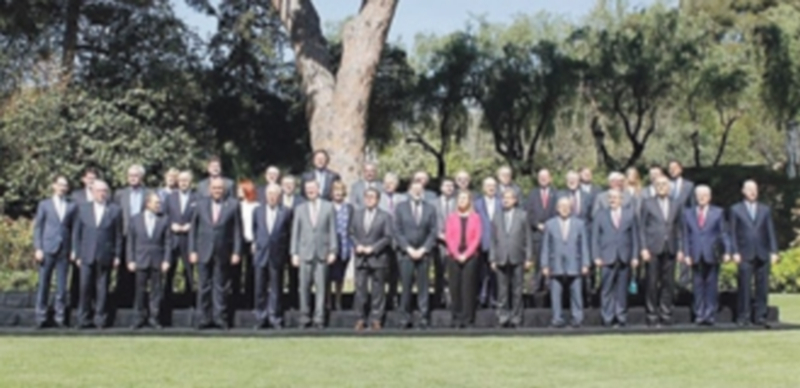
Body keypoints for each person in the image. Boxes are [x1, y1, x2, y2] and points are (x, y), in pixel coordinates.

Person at [189, 177, 242, 330]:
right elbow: (193, 230)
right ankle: (203, 318)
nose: (217, 191)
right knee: (204, 286)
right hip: (203, 251)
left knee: (220, 287)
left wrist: (236, 252)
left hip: (223, 251)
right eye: (214, 188)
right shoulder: (200, 204)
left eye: (220, 188)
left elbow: (238, 231)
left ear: (224, 189)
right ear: (209, 189)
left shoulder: (233, 205)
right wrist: (192, 250)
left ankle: (220, 318)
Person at [71, 180, 123, 329]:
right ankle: (83, 319)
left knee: (103, 289)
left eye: (104, 191)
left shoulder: (115, 210)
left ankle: (100, 319)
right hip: (86, 254)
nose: (102, 194)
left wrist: (117, 255)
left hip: (105, 255)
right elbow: (77, 233)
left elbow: (118, 236)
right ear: (92, 192)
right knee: (85, 287)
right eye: (99, 191)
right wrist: (77, 254)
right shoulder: (83, 209)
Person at [729, 180, 779, 327]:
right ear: (743, 191)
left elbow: (770, 231)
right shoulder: (735, 209)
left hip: (762, 252)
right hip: (744, 253)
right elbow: (732, 232)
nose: (753, 192)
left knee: (762, 286)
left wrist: (774, 250)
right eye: (749, 189)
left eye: (755, 189)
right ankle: (743, 316)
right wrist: (734, 251)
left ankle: (760, 316)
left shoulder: (765, 209)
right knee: (744, 286)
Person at [291, 180, 337, 328]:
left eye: (313, 188)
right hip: (304, 254)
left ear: (318, 189)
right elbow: (295, 233)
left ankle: (319, 318)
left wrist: (333, 250)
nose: (310, 191)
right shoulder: (299, 208)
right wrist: (294, 253)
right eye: (307, 189)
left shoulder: (329, 207)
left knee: (321, 288)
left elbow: (332, 230)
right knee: (303, 288)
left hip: (322, 253)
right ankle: (304, 317)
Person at [681, 185, 730, 326]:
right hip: (695, 253)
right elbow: (685, 235)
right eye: (699, 195)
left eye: (705, 195)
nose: (702, 198)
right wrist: (686, 253)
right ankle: (699, 314)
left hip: (712, 254)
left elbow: (724, 233)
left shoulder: (718, 212)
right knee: (697, 285)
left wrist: (727, 251)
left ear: (709, 197)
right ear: (695, 197)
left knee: (711, 285)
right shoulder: (688, 213)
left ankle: (710, 314)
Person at [32, 175, 76, 328]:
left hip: (64, 250)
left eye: (65, 185)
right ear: (54, 186)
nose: (63, 188)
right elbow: (38, 227)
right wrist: (38, 248)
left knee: (62, 287)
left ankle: (60, 317)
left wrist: (74, 249)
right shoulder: (44, 205)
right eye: (60, 185)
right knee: (44, 284)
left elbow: (74, 230)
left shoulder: (71, 206)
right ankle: (41, 317)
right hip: (47, 249)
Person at [639, 176, 683, 327]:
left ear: (669, 187)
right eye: (658, 185)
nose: (661, 187)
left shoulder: (676, 204)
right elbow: (641, 228)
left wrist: (681, 248)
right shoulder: (647, 203)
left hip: (670, 248)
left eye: (664, 184)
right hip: (652, 248)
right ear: (654, 187)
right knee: (651, 283)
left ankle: (666, 313)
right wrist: (643, 248)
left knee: (668, 283)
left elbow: (680, 229)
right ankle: (651, 314)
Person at [592, 189, 639, 327]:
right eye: (610, 198)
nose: (612, 200)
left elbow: (635, 237)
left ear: (621, 199)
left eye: (615, 197)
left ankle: (621, 317)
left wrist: (635, 256)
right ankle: (607, 318)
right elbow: (595, 238)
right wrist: (596, 256)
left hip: (624, 256)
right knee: (606, 289)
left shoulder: (630, 214)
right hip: (607, 257)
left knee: (622, 290)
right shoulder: (600, 215)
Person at [541, 197, 590, 328]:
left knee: (576, 293)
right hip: (555, 264)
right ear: (557, 208)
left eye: (567, 206)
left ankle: (577, 319)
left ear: (571, 208)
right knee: (556, 294)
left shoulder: (579, 224)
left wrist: (586, 263)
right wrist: (544, 264)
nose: (564, 209)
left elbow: (584, 245)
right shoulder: (549, 224)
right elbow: (546, 246)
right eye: (561, 206)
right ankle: (557, 319)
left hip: (575, 263)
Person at [394, 181, 437, 329]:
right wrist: (408, 248)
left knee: (423, 288)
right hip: (406, 254)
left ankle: (423, 317)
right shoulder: (400, 208)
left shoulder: (430, 209)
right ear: (409, 191)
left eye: (420, 190)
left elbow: (433, 231)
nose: (417, 192)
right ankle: (404, 318)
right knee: (405, 287)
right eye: (414, 189)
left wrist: (424, 249)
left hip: (424, 254)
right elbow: (397, 231)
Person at [349, 188, 393, 331]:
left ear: (378, 199)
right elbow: (350, 233)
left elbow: (387, 237)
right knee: (360, 290)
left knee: (378, 291)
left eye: (372, 197)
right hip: (361, 258)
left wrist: (373, 248)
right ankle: (360, 319)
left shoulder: (385, 216)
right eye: (367, 196)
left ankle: (376, 319)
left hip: (378, 258)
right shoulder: (356, 215)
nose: (369, 199)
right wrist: (357, 245)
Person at [126, 193, 171, 329]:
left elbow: (168, 241)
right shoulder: (135, 219)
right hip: (140, 259)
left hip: (157, 260)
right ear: (148, 204)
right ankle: (138, 318)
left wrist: (166, 260)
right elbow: (130, 242)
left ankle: (154, 318)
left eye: (159, 203)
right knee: (139, 291)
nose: (159, 205)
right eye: (156, 203)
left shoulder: (164, 219)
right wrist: (130, 260)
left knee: (156, 291)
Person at [490, 189, 532, 328]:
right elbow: (492, 240)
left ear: (515, 200)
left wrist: (529, 258)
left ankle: (516, 318)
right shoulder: (497, 216)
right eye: (504, 198)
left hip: (517, 257)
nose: (506, 200)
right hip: (501, 257)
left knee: (517, 290)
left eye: (509, 198)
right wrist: (492, 258)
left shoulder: (523, 215)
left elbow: (528, 238)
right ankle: (503, 317)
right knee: (502, 291)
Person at [252, 184, 291, 329]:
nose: (272, 197)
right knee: (260, 288)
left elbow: (288, 233)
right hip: (261, 254)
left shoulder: (286, 212)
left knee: (276, 288)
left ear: (279, 196)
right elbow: (255, 230)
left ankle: (275, 317)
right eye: (270, 194)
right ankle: (261, 317)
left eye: (275, 194)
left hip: (277, 254)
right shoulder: (257, 211)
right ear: (265, 195)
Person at [114, 164, 151, 306]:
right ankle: (123, 301)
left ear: (141, 177)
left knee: (140, 272)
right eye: (130, 176)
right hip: (124, 235)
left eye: (136, 176)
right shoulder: (120, 194)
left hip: (142, 238)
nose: (133, 178)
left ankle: (139, 302)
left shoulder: (148, 193)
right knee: (123, 271)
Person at [444, 191, 482, 328]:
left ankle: (468, 318)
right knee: (455, 287)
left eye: (465, 198)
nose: (462, 200)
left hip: (470, 256)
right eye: (460, 198)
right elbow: (449, 237)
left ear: (469, 201)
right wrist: (456, 254)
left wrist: (466, 254)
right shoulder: (451, 218)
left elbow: (477, 238)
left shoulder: (476, 218)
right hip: (453, 256)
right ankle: (456, 318)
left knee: (468, 287)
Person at [524, 169, 557, 294]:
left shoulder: (556, 193)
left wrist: (549, 225)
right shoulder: (532, 194)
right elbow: (529, 213)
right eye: (541, 177)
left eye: (545, 177)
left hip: (552, 234)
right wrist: (537, 225)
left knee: (551, 263)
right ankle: (537, 291)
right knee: (538, 264)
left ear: (550, 178)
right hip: (537, 234)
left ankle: (550, 290)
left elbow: (558, 212)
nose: (543, 179)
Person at [164, 171, 197, 298]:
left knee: (189, 270)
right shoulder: (170, 197)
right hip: (173, 238)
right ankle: (167, 299)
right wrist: (171, 224)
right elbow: (164, 215)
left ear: (190, 182)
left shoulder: (196, 198)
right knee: (169, 271)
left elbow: (200, 217)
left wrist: (191, 225)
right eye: (181, 180)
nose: (183, 183)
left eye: (186, 180)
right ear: (178, 182)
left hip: (189, 239)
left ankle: (189, 300)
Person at [378, 172, 406, 308]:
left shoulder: (403, 198)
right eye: (386, 182)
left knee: (396, 271)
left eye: (392, 182)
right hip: (382, 240)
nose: (388, 185)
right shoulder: (378, 198)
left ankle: (393, 297)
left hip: (399, 241)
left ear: (397, 185)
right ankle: (380, 300)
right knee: (382, 273)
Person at [474, 177, 501, 307]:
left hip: (498, 244)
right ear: (483, 188)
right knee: (481, 273)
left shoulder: (501, 203)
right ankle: (482, 298)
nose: (491, 188)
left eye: (493, 186)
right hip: (481, 243)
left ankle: (494, 299)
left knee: (495, 274)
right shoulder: (477, 204)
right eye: (488, 186)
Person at [329, 181, 354, 311]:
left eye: (340, 190)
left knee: (340, 276)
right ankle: (328, 301)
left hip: (345, 246)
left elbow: (352, 227)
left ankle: (338, 300)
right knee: (328, 276)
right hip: (329, 248)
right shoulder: (327, 207)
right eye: (335, 190)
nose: (338, 193)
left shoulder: (349, 208)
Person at [280, 175, 304, 311]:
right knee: (279, 275)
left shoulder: (301, 201)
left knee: (295, 275)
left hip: (297, 243)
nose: (288, 186)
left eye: (291, 184)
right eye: (286, 183)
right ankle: (281, 303)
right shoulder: (277, 200)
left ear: (295, 186)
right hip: (280, 244)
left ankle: (294, 303)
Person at [434, 179, 457, 308]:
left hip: (455, 244)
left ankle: (452, 300)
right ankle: (438, 300)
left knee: (453, 273)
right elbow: (431, 221)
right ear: (441, 187)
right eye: (446, 185)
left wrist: (452, 237)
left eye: (451, 186)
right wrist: (439, 234)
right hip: (439, 243)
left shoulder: (458, 203)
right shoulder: (434, 203)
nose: (449, 188)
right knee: (439, 272)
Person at [236, 180, 260, 306]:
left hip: (253, 241)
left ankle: (250, 298)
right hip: (240, 241)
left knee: (252, 270)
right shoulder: (237, 205)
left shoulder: (256, 206)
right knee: (237, 270)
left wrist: (256, 241)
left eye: (240, 189)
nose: (238, 192)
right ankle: (237, 298)